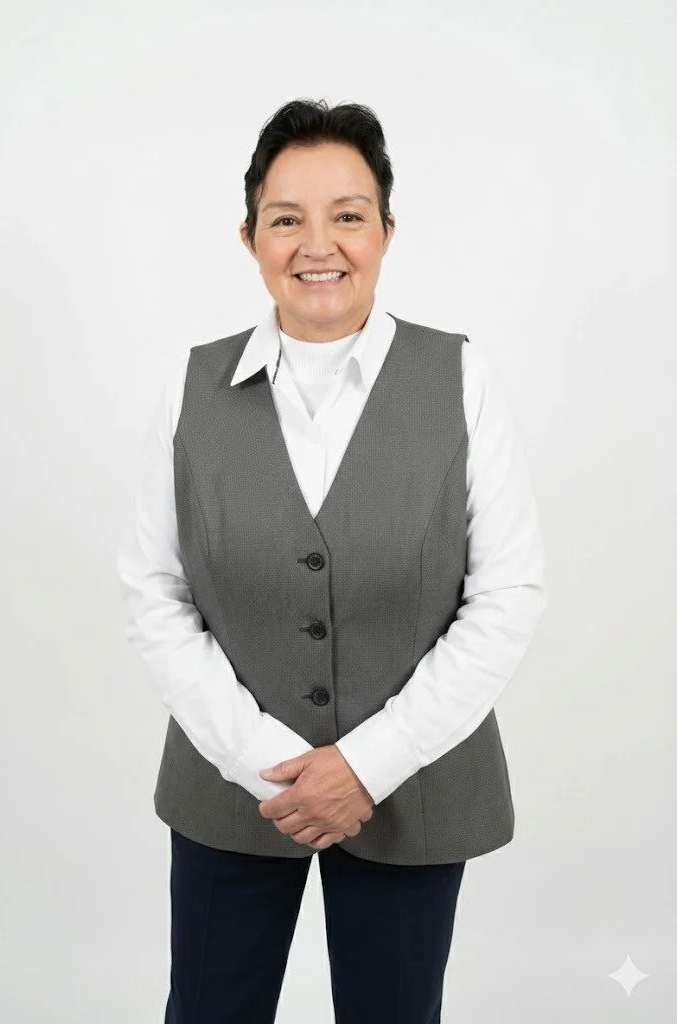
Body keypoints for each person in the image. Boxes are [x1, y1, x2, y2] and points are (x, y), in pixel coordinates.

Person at [116, 97, 547, 1024]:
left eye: (348, 215)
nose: (319, 244)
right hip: (235, 792)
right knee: (210, 1010)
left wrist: (368, 763)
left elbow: (506, 591)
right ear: (249, 237)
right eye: (286, 219)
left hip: (417, 786)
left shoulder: (459, 377)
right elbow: (154, 592)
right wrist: (266, 759)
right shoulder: (189, 387)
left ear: (387, 231)